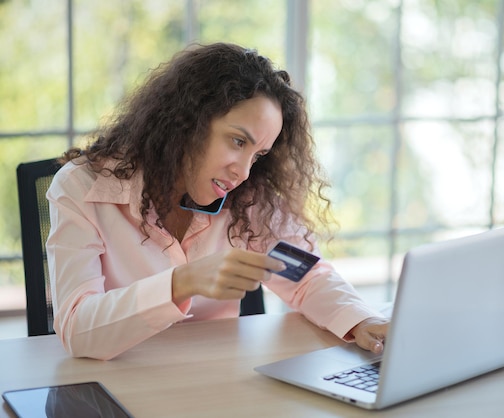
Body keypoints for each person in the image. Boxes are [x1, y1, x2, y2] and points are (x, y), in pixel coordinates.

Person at [46, 42, 389, 361]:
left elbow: (307, 276)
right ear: (186, 123)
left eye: (258, 155)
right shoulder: (83, 186)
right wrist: (182, 281)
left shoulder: (252, 200)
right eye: (238, 141)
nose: (242, 172)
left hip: (216, 379)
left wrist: (362, 321)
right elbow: (77, 330)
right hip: (115, 384)